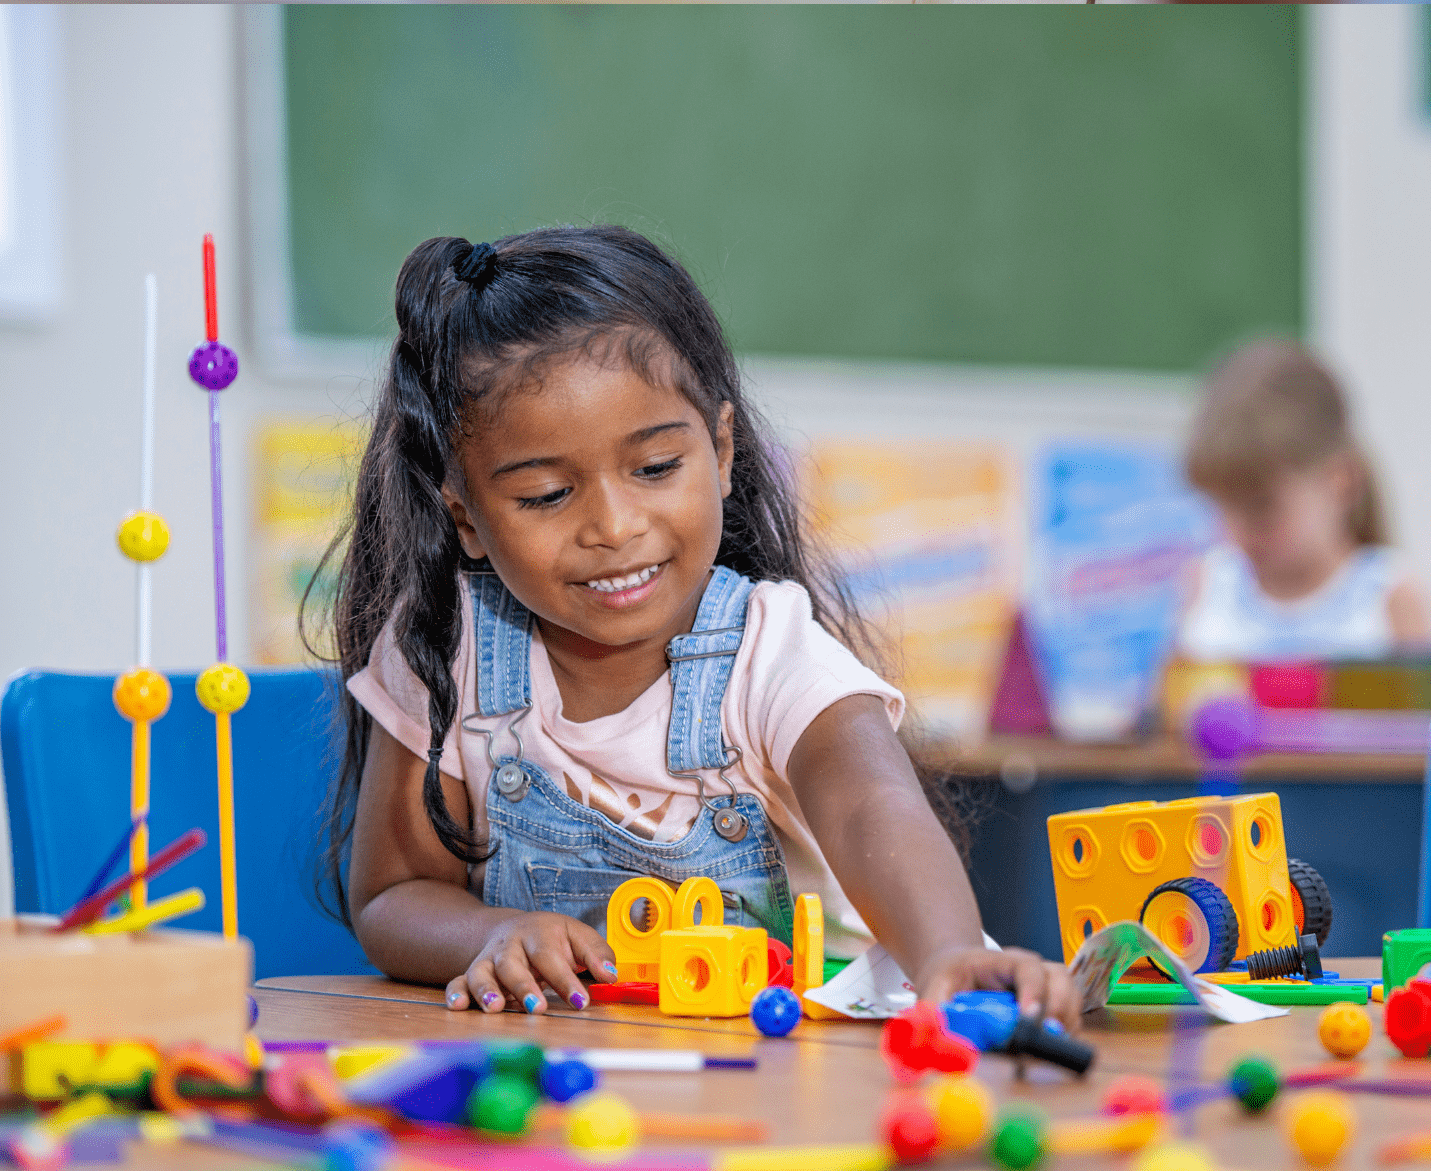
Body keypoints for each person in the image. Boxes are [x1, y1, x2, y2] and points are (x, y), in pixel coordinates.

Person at [315, 226, 1077, 1023]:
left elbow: (870, 807)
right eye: (545, 494)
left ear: (720, 448)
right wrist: (490, 931)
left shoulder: (769, 650)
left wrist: (949, 952)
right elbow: (396, 892)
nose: (613, 525)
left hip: (827, 1048)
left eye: (654, 469)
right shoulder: (445, 648)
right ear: (465, 516)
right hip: (606, 1081)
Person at [1178, 340, 1431, 663]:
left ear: (1340, 481)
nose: (1239, 533)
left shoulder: (1391, 599)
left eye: (1261, 508)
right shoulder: (1207, 588)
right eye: (1224, 506)